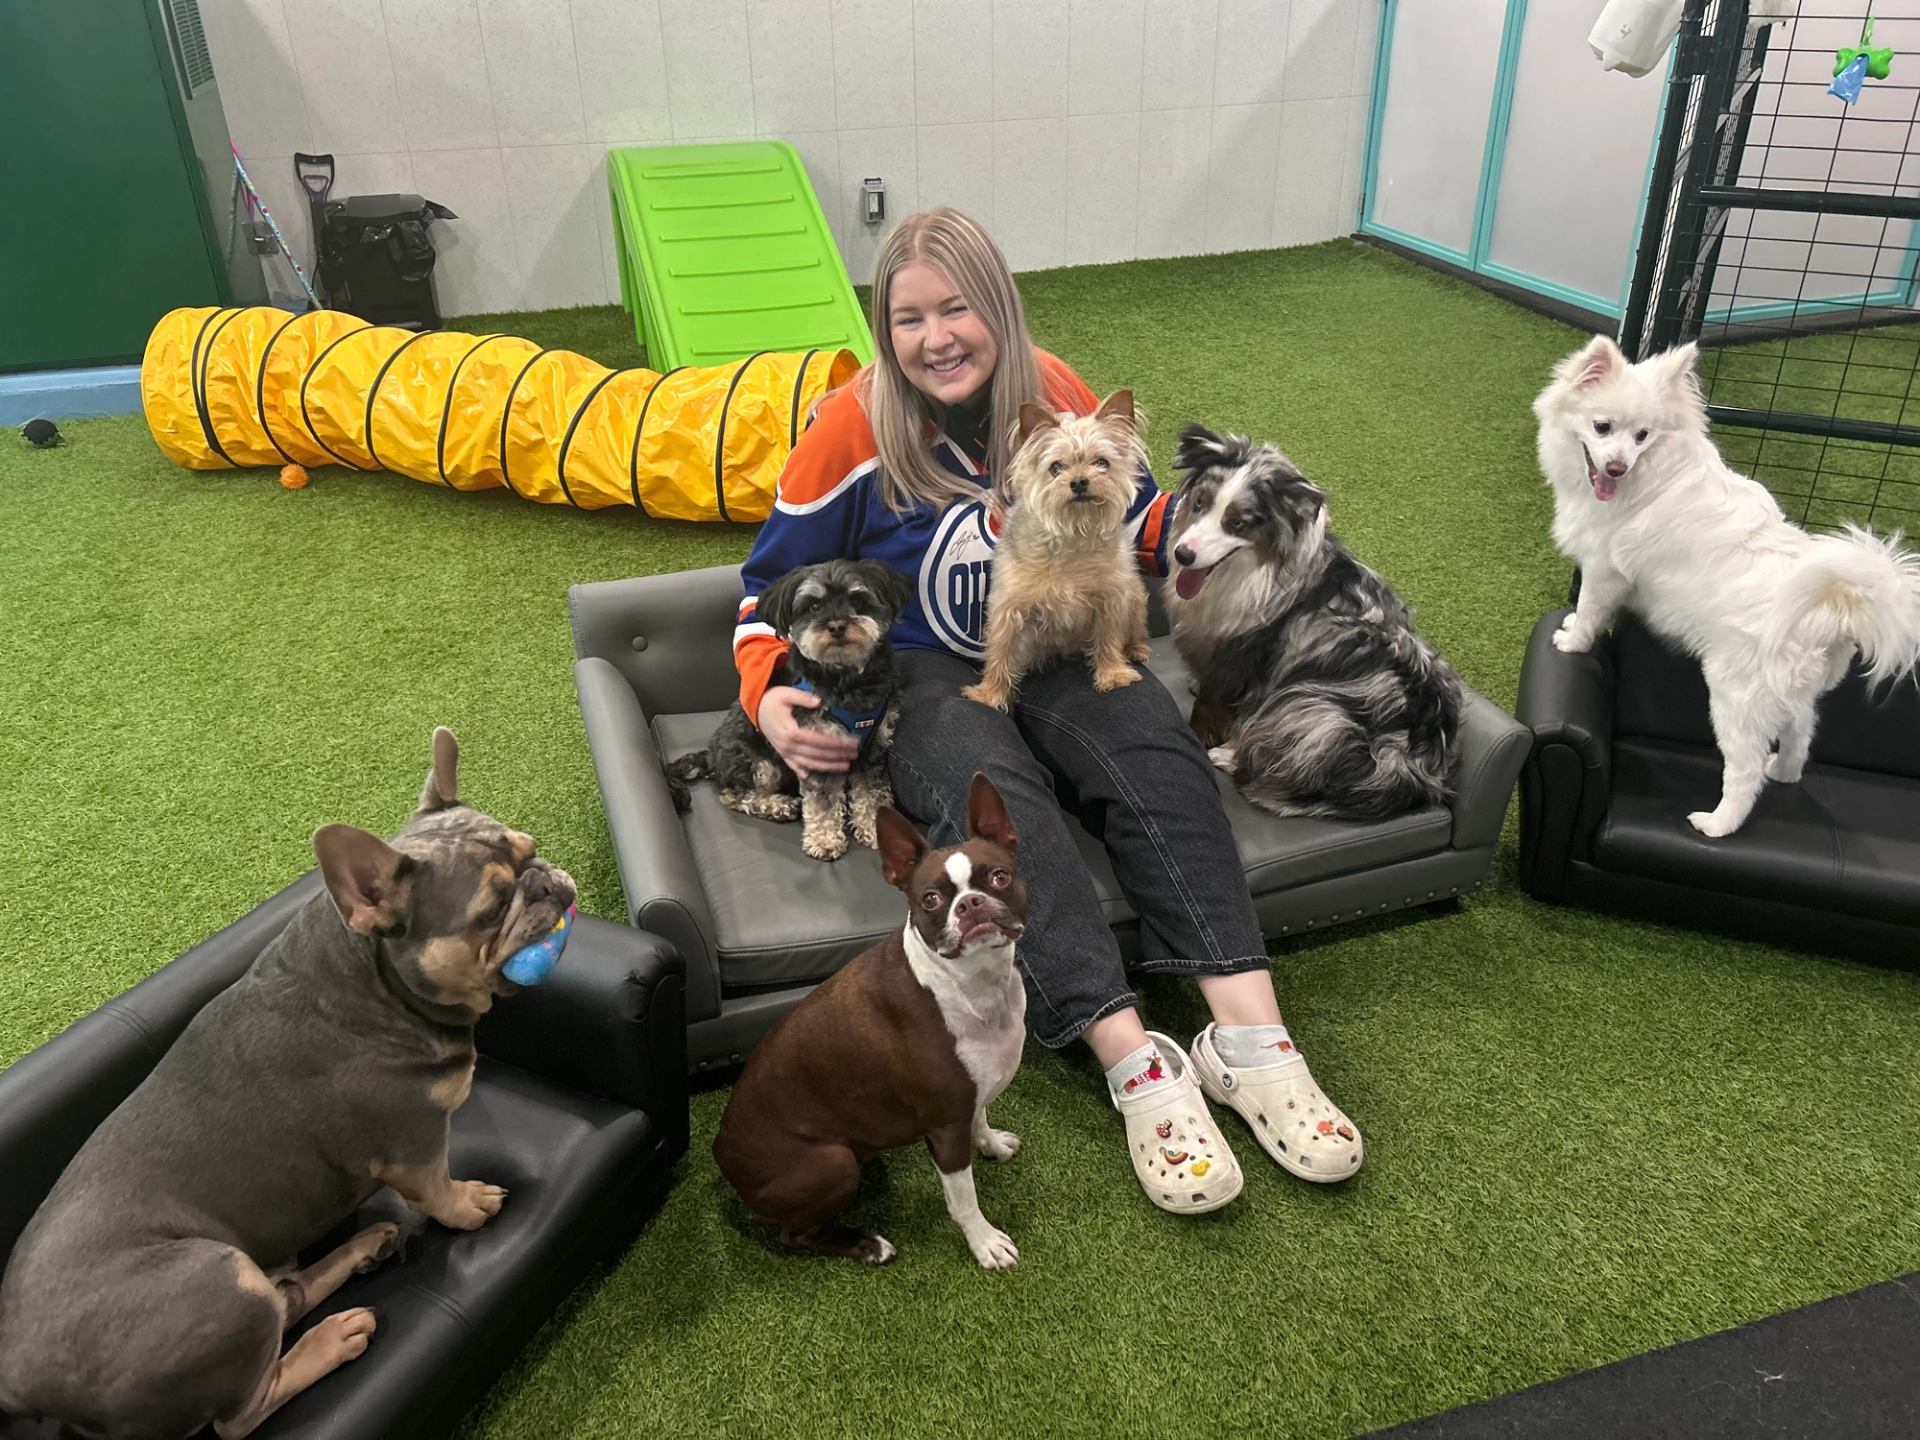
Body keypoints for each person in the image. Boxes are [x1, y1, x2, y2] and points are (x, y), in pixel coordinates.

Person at [733, 207, 1362, 1212]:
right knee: (1000, 814)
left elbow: (1140, 515)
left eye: (958, 308)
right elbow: (760, 586)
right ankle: (1137, 1064)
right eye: (907, 318)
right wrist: (767, 700)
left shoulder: (1058, 388)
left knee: (1157, 749)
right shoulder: (851, 426)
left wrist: (1223, 535)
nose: (935, 336)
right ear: (883, 332)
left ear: (1000, 307)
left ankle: (1252, 1039)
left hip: (1071, 639)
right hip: (930, 674)